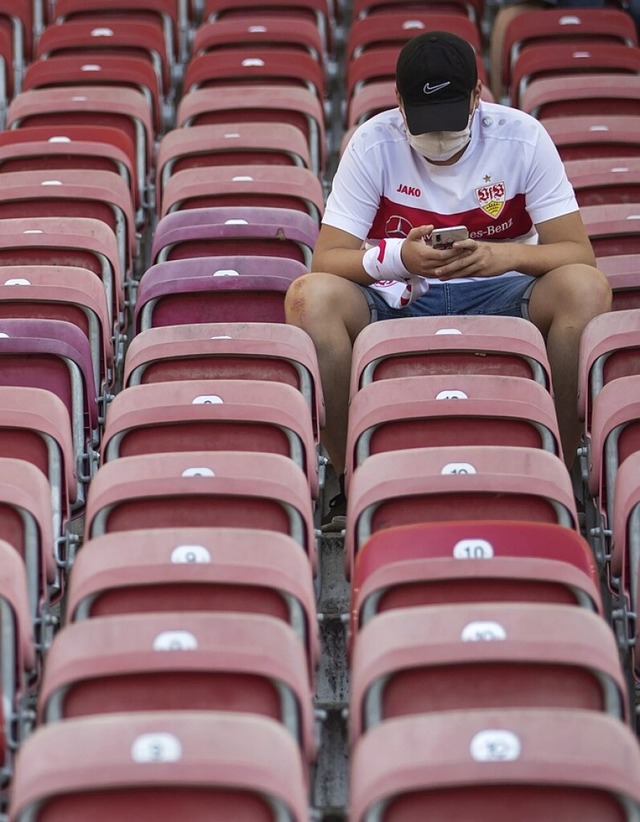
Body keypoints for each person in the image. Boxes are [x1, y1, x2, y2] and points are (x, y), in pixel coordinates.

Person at [284, 30, 611, 532]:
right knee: (309, 298)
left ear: (478, 95)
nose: (439, 141)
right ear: (398, 103)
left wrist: (500, 255)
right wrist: (399, 259)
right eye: (426, 126)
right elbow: (327, 259)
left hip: (502, 288)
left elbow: (578, 253)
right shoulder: (373, 142)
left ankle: (558, 470)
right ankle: (355, 478)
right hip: (400, 295)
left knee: (586, 288)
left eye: (451, 125)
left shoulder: (522, 137)